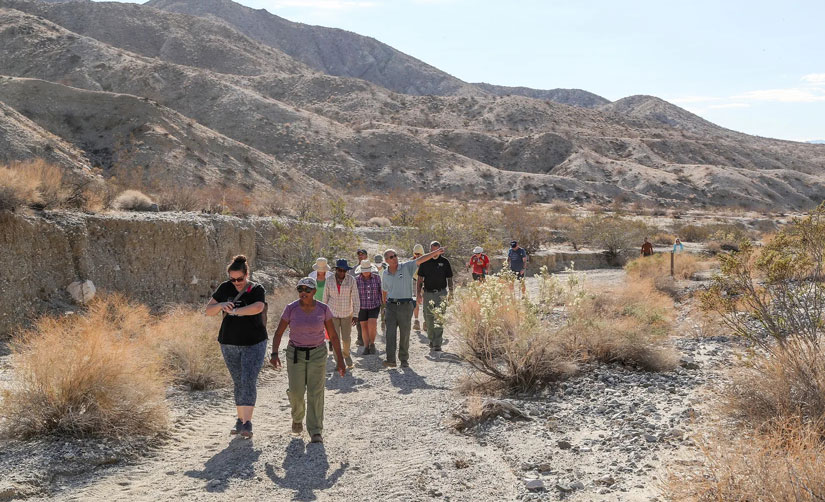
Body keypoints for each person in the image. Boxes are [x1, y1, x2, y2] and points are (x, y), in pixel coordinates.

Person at [270, 277, 345, 444]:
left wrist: (340, 360)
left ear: (314, 291)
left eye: (307, 290)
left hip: (317, 353)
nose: (303, 292)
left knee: (315, 392)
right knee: (296, 391)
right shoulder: (291, 308)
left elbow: (333, 335)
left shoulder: (323, 309)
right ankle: (297, 418)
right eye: (300, 289)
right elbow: (278, 333)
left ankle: (316, 430)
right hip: (295, 354)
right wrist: (274, 354)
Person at [205, 255, 267, 439]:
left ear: (247, 274)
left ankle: (247, 422)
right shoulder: (225, 288)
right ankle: (240, 420)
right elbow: (209, 311)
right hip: (229, 342)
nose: (236, 283)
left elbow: (258, 307)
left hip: (254, 342)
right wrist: (221, 304)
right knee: (238, 381)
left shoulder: (256, 289)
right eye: (233, 279)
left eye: (240, 279)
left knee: (248, 379)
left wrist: (236, 311)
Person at [381, 246, 445, 368]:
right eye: (391, 257)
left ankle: (404, 359)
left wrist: (435, 252)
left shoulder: (406, 267)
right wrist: (384, 306)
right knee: (390, 334)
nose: (395, 258)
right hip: (391, 306)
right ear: (386, 260)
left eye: (395, 256)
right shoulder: (385, 273)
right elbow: (384, 290)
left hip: (405, 305)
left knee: (405, 333)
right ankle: (391, 360)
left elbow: (421, 259)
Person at [322, 259, 360, 369]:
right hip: (332, 313)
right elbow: (325, 297)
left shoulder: (351, 280)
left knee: (346, 339)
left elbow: (355, 298)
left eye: (344, 271)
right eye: (340, 270)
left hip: (347, 313)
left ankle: (346, 355)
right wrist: (324, 314)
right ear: (336, 270)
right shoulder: (329, 280)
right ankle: (338, 361)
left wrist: (356, 314)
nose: (342, 272)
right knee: (335, 339)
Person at [416, 241, 454, 351]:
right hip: (428, 293)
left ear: (440, 250)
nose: (434, 252)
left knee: (439, 317)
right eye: (432, 250)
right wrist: (418, 294)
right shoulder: (425, 261)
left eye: (436, 250)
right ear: (430, 250)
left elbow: (449, 278)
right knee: (428, 318)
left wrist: (451, 293)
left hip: (441, 293)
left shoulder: (445, 262)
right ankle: (431, 339)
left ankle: (437, 343)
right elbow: (420, 279)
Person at [355, 259, 382, 355]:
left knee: (372, 324)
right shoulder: (357, 280)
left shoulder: (377, 278)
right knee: (363, 326)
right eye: (364, 270)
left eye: (367, 270)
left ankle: (372, 343)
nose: (366, 272)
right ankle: (366, 346)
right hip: (361, 306)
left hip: (374, 304)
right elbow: (354, 294)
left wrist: (381, 302)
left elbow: (380, 290)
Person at [351, 249, 369, 347]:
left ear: (366, 256)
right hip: (357, 297)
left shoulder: (372, 268)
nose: (360, 256)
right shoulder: (354, 269)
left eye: (362, 255)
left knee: (369, 318)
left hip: (369, 297)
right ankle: (360, 338)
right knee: (359, 318)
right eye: (359, 255)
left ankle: (368, 337)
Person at [412, 244, 425, 331]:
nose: (417, 255)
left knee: (425, 302)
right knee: (415, 301)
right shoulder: (412, 262)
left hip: (424, 282)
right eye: (415, 254)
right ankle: (416, 321)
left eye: (418, 254)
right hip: (414, 282)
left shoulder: (426, 261)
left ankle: (426, 321)